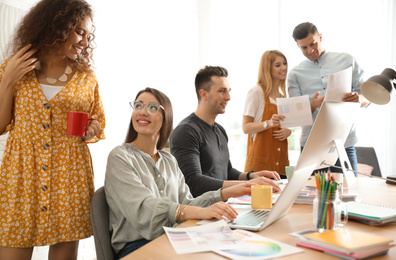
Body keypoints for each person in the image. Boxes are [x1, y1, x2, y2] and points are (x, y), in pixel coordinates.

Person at [0, 0, 105, 259]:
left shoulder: (87, 77)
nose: (84, 41)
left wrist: (91, 128)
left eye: (88, 35)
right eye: (80, 32)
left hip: (70, 174)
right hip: (22, 174)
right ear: (57, 26)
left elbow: (97, 120)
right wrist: (8, 79)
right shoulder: (15, 67)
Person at [105, 87, 253, 258]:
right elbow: (145, 209)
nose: (142, 112)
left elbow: (187, 203)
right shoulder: (120, 157)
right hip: (137, 247)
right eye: (138, 106)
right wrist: (199, 212)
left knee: (232, 247)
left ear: (166, 117)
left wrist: (226, 193)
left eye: (152, 107)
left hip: (172, 236)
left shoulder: (169, 160)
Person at [170, 66, 281, 198]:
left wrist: (250, 176)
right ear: (203, 94)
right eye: (222, 91)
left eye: (228, 91)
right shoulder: (186, 131)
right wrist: (247, 186)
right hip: (200, 213)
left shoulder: (220, 130)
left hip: (223, 208)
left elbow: (227, 172)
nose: (228, 97)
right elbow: (193, 182)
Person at [287, 22, 369, 175]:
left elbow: (367, 96)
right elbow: (293, 117)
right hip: (311, 146)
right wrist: (312, 105)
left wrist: (359, 99)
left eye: (313, 44)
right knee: (310, 196)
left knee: (349, 194)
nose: (310, 50)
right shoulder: (294, 74)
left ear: (320, 37)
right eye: (304, 47)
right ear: (298, 46)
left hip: (344, 142)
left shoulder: (347, 60)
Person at [242, 50, 290, 177]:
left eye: (284, 64)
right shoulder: (256, 92)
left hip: (280, 166)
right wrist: (267, 123)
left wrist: (288, 132)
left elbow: (286, 126)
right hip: (259, 168)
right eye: (278, 65)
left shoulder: (283, 97)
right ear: (267, 68)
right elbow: (246, 127)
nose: (283, 68)